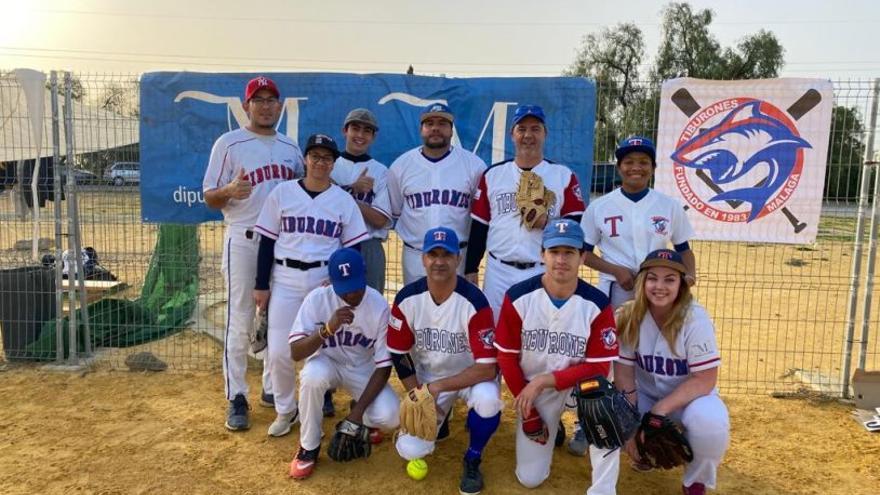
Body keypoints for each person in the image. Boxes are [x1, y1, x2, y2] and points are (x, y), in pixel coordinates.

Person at [202, 75, 304, 431]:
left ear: (279, 106)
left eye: (270, 99)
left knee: (277, 319)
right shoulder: (229, 143)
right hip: (243, 239)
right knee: (240, 319)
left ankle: (272, 388)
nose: (264, 105)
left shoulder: (291, 149)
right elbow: (209, 196)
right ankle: (237, 396)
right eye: (257, 99)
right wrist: (229, 189)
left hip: (281, 242)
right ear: (246, 106)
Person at [253, 133, 368, 437]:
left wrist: (341, 283)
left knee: (323, 348)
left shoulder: (343, 201)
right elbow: (266, 241)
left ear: (334, 163)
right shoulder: (282, 193)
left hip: (323, 282)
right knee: (279, 351)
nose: (320, 162)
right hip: (286, 279)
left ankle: (316, 403)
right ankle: (285, 409)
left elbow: (354, 249)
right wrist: (261, 284)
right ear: (305, 159)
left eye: (327, 158)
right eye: (315, 156)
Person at [495, 218, 621, 494]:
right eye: (554, 252)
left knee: (606, 411)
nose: (561, 260)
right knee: (530, 478)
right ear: (542, 254)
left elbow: (600, 367)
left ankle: (603, 488)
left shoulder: (597, 304)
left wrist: (544, 380)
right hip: (534, 392)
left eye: (569, 252)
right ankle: (552, 428)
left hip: (580, 388)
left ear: (582, 257)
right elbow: (505, 358)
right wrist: (529, 416)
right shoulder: (518, 297)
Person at [387, 226, 502, 495]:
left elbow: (487, 369)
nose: (439, 261)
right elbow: (399, 352)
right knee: (409, 449)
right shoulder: (407, 298)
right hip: (429, 378)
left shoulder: (475, 301)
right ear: (423, 258)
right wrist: (418, 393)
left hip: (469, 377)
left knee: (488, 400)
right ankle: (443, 415)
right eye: (433, 254)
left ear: (458, 259)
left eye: (446, 255)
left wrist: (436, 390)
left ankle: (473, 457)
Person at [613, 249, 729, 495]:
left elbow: (705, 379)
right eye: (652, 278)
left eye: (670, 279)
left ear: (681, 285)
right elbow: (623, 375)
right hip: (644, 395)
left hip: (690, 398)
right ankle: (643, 454)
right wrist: (633, 426)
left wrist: (657, 413)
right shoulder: (627, 315)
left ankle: (695, 480)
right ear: (643, 281)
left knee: (712, 424)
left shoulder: (695, 318)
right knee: (611, 413)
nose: (660, 286)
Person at [287, 248, 400, 480]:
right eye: (344, 290)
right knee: (311, 376)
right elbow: (296, 352)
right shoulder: (318, 299)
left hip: (363, 368)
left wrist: (356, 416)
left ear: (365, 276)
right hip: (328, 362)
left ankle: (359, 415)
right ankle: (309, 446)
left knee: (392, 416)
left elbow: (384, 367)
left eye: (356, 288)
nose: (350, 295)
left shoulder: (378, 306)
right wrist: (326, 329)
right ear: (332, 282)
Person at [465, 104, 585, 320]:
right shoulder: (493, 175)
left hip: (541, 271)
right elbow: (479, 226)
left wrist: (547, 222)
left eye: (535, 129)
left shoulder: (562, 176)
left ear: (545, 134)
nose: (528, 135)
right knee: (495, 333)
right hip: (498, 271)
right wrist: (471, 267)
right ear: (512, 135)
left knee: (537, 335)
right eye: (521, 129)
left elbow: (576, 229)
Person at [323, 108, 392, 418]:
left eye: (367, 130)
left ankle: (361, 390)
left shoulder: (380, 171)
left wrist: (348, 199)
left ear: (374, 136)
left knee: (368, 314)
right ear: (344, 130)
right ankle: (325, 389)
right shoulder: (328, 164)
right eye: (355, 128)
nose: (360, 135)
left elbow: (381, 218)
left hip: (368, 244)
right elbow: (317, 201)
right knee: (327, 312)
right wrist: (351, 191)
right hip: (332, 243)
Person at [581, 136, 697, 310]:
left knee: (659, 336)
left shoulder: (669, 205)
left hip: (658, 288)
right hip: (616, 286)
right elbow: (584, 253)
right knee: (616, 336)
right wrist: (615, 270)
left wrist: (690, 275)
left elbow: (684, 249)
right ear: (619, 168)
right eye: (628, 162)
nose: (636, 167)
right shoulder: (599, 207)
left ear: (653, 168)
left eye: (644, 162)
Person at [387, 103, 486, 284]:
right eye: (429, 123)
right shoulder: (401, 166)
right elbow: (396, 210)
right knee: (415, 309)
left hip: (458, 256)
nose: (435, 128)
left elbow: (480, 218)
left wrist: (473, 265)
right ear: (421, 129)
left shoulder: (474, 165)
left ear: (451, 129)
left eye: (442, 123)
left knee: (458, 310)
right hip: (416, 255)